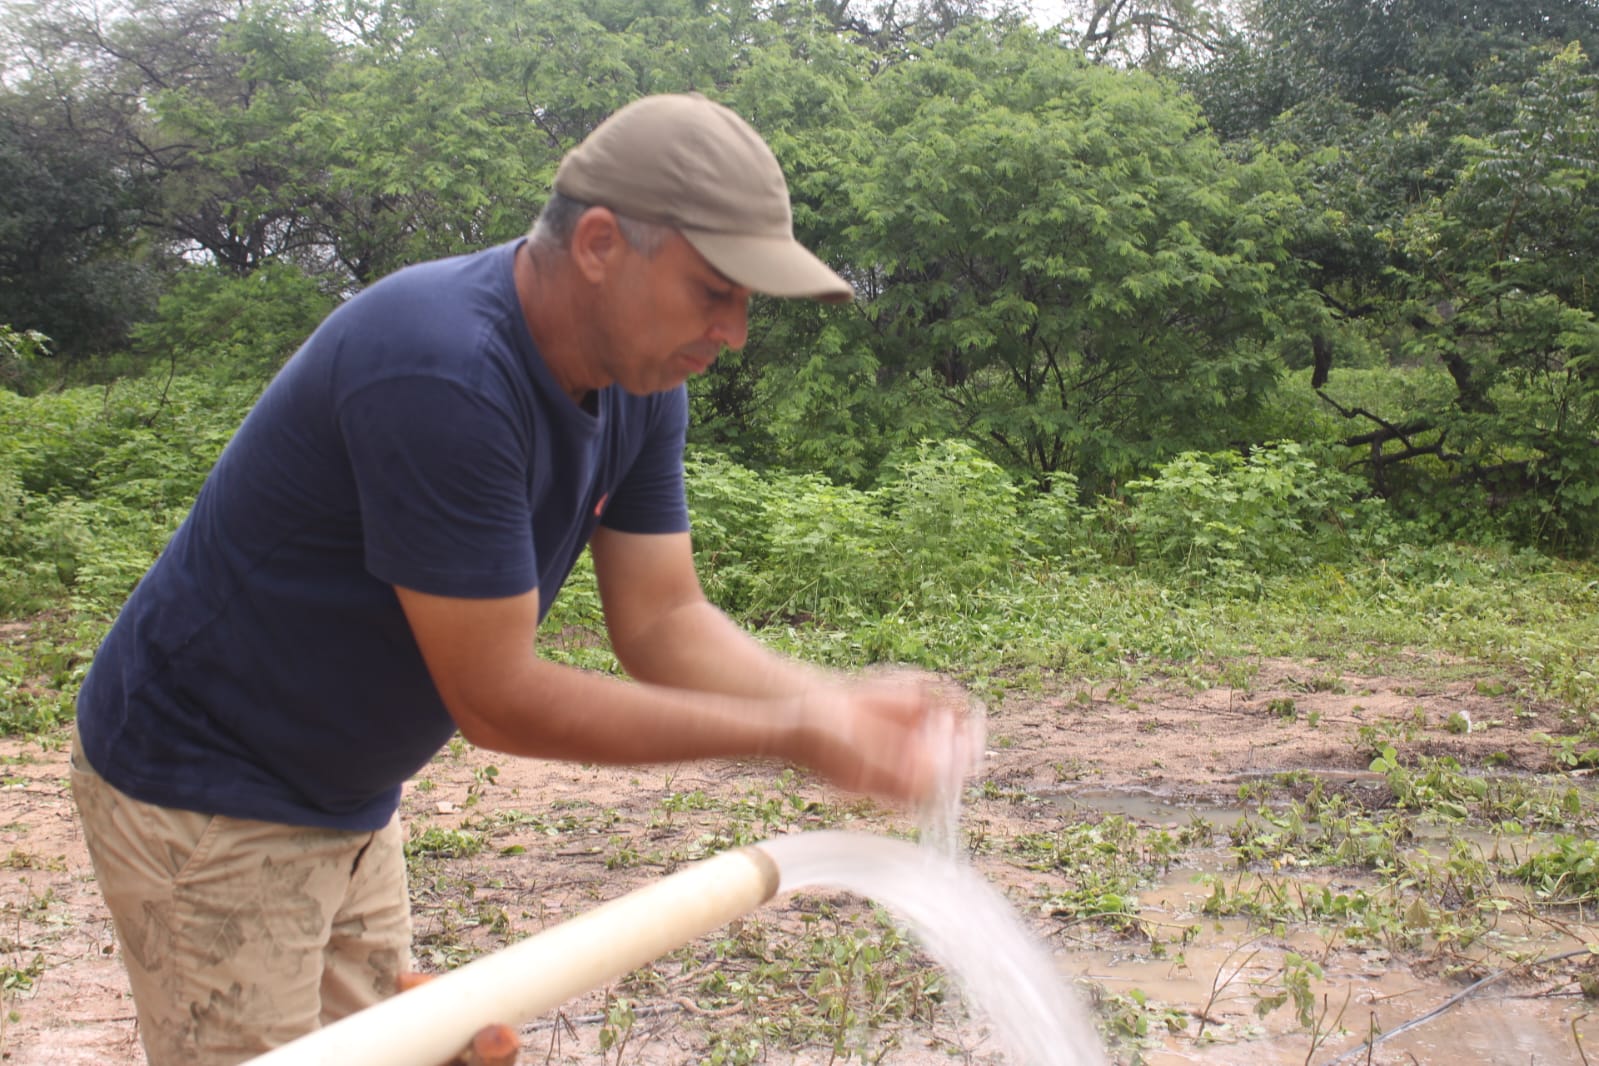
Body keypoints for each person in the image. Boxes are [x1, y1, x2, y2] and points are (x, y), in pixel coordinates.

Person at [69, 91, 978, 1065]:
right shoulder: (444, 369)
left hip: (347, 792)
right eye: (717, 289)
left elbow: (664, 617)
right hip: (207, 788)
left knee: (407, 1050)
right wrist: (798, 733)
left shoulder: (640, 382)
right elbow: (499, 698)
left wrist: (839, 703)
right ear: (598, 243)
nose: (737, 331)